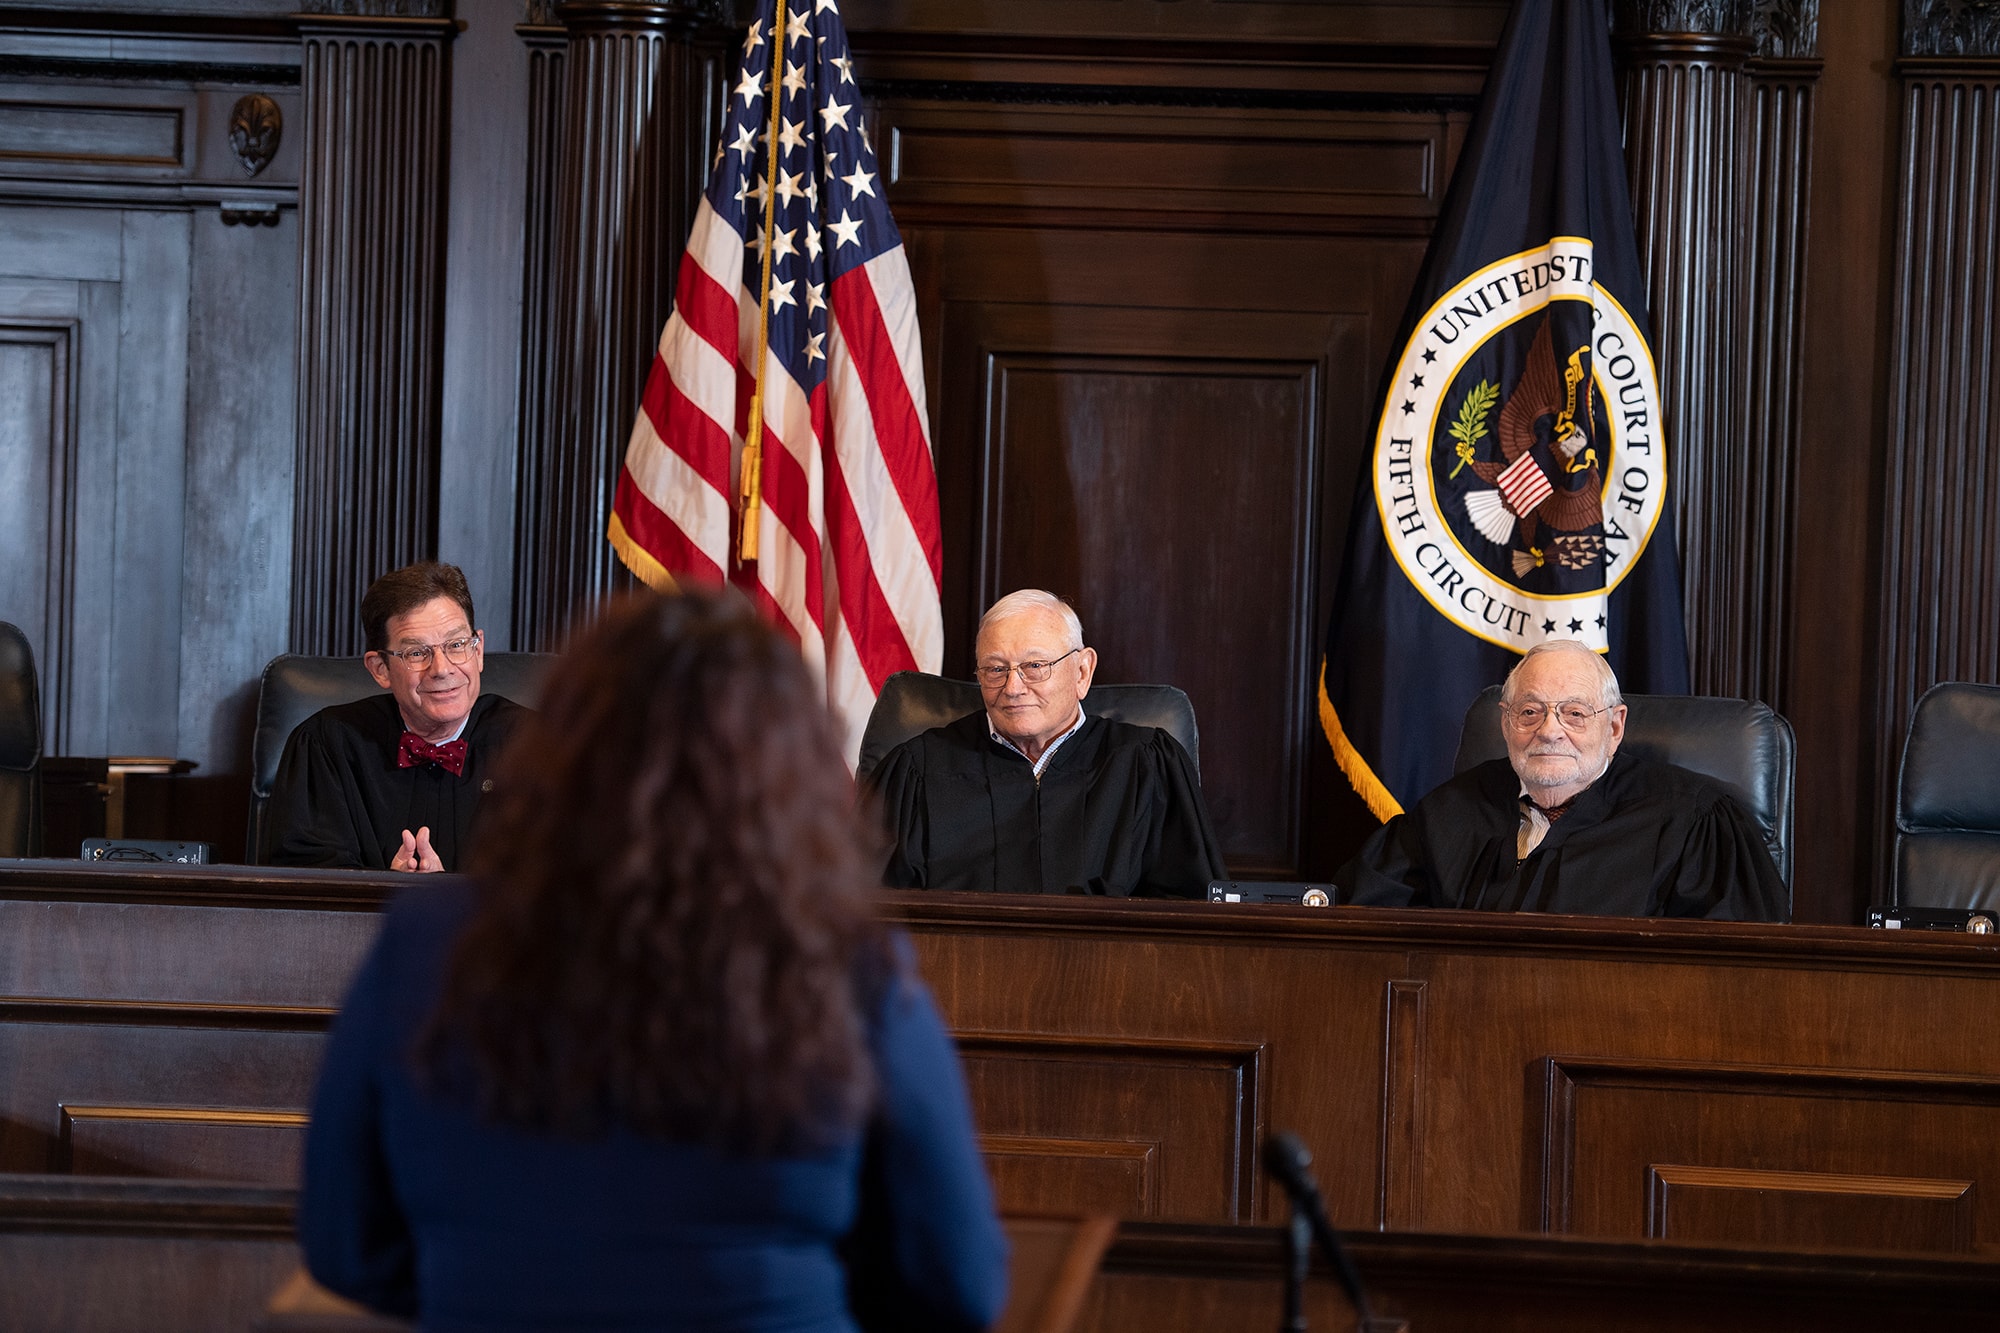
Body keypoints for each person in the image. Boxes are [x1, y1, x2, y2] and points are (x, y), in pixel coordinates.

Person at [300, 589, 1009, 1331]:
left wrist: (495, 1284)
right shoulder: (846, 962)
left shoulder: (424, 940)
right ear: (785, 769)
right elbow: (957, 1280)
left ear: (562, 751)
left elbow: (346, 1244)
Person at [1337, 639, 1786, 920]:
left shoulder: (1693, 821)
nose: (1550, 731)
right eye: (1530, 711)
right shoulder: (1448, 812)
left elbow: (1733, 974)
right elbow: (1360, 921)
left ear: (1614, 727)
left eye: (1574, 713)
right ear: (1506, 723)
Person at [867, 589, 1226, 897]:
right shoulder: (918, 771)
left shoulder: (1144, 765)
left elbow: (1190, 916)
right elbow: (867, 916)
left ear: (1082, 671)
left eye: (1035, 666)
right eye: (995, 669)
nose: (1013, 688)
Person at [266, 562, 529, 873]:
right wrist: (383, 890)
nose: (442, 669)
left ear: (479, 650)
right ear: (380, 669)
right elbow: (303, 882)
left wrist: (449, 893)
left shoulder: (541, 746)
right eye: (416, 653)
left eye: (457, 645)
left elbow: (562, 880)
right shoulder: (325, 746)